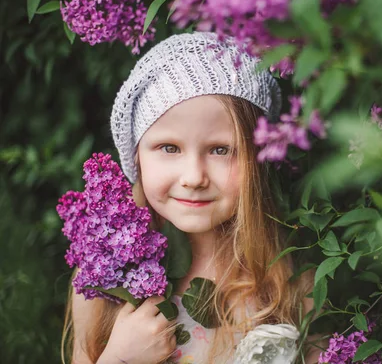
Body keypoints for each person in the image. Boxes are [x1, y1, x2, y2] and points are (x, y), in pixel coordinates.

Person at [62, 32, 319, 364]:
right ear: (137, 157)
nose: (194, 177)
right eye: (169, 148)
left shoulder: (291, 280)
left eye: (220, 150)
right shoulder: (102, 285)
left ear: (257, 158)